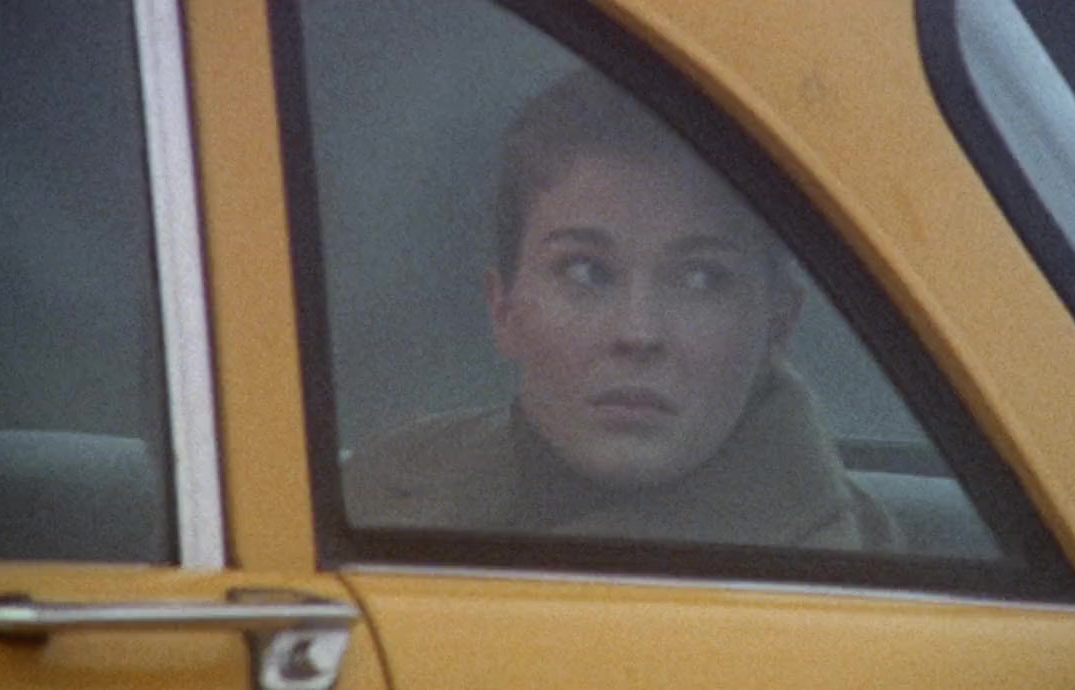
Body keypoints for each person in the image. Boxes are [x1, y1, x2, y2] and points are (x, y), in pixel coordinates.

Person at [343, 70, 901, 550]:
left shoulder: (847, 578)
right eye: (586, 271)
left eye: (701, 278)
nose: (638, 333)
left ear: (777, 326)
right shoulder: (376, 483)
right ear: (503, 308)